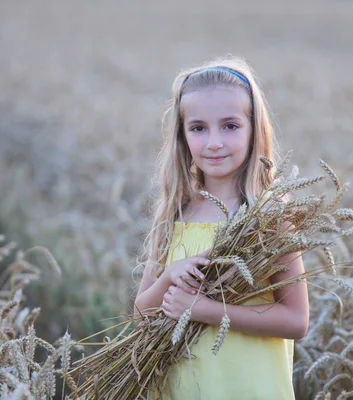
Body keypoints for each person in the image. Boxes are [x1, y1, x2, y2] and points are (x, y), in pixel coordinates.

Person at [133, 55, 309, 400]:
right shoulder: (174, 215)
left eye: (230, 126)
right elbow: (142, 315)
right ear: (182, 137)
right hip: (184, 387)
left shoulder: (268, 216)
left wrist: (205, 311)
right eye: (198, 128)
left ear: (254, 130)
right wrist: (170, 275)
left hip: (250, 388)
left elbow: (296, 320)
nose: (214, 142)